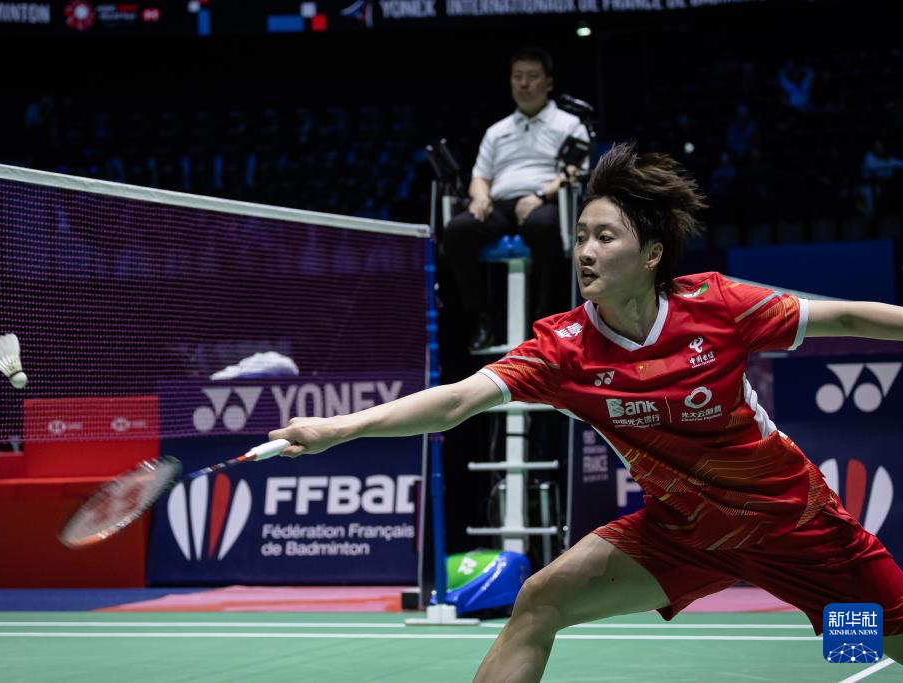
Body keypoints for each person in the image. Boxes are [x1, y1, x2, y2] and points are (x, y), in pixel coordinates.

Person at [270, 142, 903, 681]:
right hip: (681, 534)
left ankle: (849, 636)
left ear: (651, 254)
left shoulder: (716, 306)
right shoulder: (564, 349)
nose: (585, 252)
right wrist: (339, 427)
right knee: (539, 601)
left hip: (795, 527)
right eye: (579, 238)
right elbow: (458, 400)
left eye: (605, 237)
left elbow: (846, 317)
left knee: (868, 644)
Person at [442, 46, 590, 351]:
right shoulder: (497, 131)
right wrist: (480, 197)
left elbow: (574, 171)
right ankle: (482, 318)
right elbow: (480, 177)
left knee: (543, 226)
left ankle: (546, 321)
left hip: (545, 201)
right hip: (500, 205)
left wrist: (539, 196)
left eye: (532, 76)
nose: (523, 83)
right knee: (457, 230)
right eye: (517, 76)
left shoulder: (570, 124)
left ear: (548, 82)